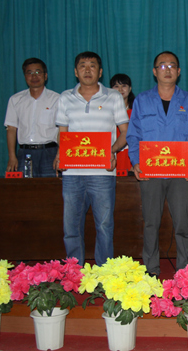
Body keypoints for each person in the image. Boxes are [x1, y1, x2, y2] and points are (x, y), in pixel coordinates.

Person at [126, 51, 188, 276]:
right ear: (154, 71)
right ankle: (151, 271)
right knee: (151, 224)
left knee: (182, 224)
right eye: (162, 66)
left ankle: (184, 272)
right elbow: (134, 135)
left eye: (172, 66)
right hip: (150, 172)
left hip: (181, 172)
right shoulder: (142, 100)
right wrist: (136, 161)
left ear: (179, 71)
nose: (167, 70)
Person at [54, 51, 129, 266]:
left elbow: (125, 132)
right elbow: (63, 133)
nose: (87, 70)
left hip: (103, 173)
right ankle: (73, 270)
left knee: (104, 226)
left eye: (92, 65)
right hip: (72, 172)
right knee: (71, 226)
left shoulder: (113, 96)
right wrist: (59, 154)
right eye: (83, 66)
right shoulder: (65, 97)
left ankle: (104, 270)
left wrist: (112, 151)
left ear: (100, 71)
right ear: (75, 72)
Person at [4, 58, 59, 177]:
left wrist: (60, 155)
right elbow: (11, 129)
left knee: (51, 187)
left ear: (45, 76)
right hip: (24, 153)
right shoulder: (15, 100)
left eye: (38, 72)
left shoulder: (57, 99)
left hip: (50, 153)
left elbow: (62, 130)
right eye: (30, 73)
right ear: (25, 76)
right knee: (24, 188)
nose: (34, 76)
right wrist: (12, 156)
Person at [110, 74, 136, 173]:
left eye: (124, 86)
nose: (120, 89)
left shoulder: (137, 111)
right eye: (116, 86)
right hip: (112, 155)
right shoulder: (106, 111)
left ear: (130, 88)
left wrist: (136, 162)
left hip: (130, 156)